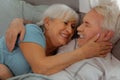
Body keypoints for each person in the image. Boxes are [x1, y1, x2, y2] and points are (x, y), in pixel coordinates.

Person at [0, 4, 112, 80]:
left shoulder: (59, 51)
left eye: (73, 26)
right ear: (48, 23)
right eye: (65, 23)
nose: (70, 30)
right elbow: (41, 68)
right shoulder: (32, 31)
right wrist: (84, 53)